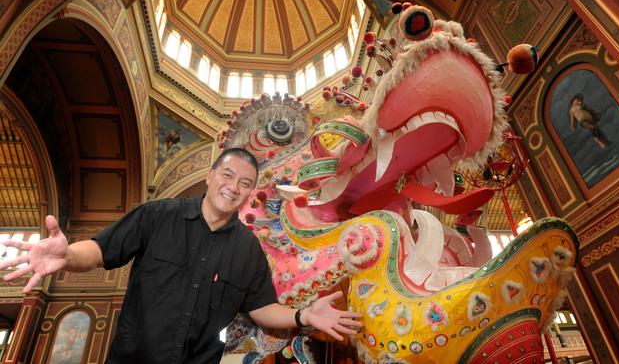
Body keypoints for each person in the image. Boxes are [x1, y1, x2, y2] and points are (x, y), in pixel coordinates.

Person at [0, 147, 362, 363]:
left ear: (251, 192)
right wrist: (66, 256)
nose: (233, 187)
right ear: (209, 176)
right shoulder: (157, 215)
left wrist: (304, 315)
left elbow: (261, 307)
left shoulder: (247, 249)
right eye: (227, 175)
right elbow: (98, 251)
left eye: (245, 183)